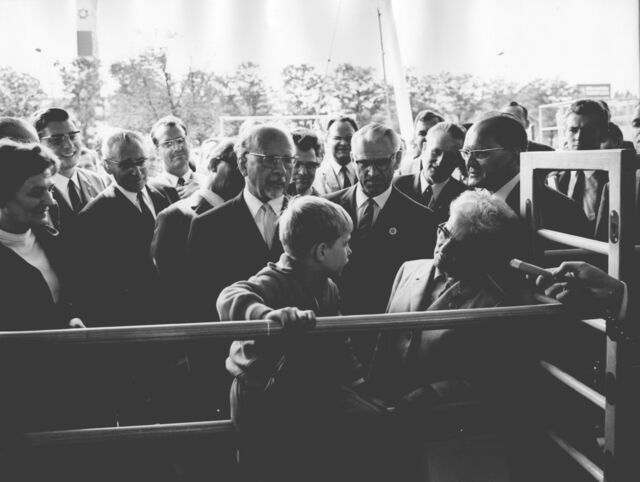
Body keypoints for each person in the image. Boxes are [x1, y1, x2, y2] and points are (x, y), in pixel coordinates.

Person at [219, 196, 400, 482]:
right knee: (271, 467)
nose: (350, 251)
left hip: (300, 390)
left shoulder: (328, 288)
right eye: (345, 243)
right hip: (261, 397)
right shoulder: (275, 281)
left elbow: (338, 343)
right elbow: (230, 296)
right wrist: (268, 316)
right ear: (321, 251)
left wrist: (360, 386)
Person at [325, 122, 438, 366]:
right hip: (332, 334)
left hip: (389, 340)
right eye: (364, 164)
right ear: (353, 160)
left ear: (397, 159)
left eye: (381, 163)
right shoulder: (326, 210)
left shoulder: (421, 220)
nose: (372, 173)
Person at [185, 124, 294, 321]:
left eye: (287, 160)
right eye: (269, 160)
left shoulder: (311, 220)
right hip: (234, 347)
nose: (280, 170)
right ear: (243, 164)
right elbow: (199, 308)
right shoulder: (208, 227)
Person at [74, 129, 171, 326]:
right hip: (132, 323)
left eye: (141, 161)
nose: (136, 171)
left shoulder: (166, 195)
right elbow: (98, 288)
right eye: (126, 164)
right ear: (107, 167)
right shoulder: (92, 217)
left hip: (173, 315)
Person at [151, 137, 244, 316]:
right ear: (213, 165)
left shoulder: (243, 215)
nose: (243, 172)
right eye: (236, 164)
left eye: (247, 165)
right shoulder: (174, 217)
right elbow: (167, 289)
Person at [463, 113, 590, 237]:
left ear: (515, 154)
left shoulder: (563, 211)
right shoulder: (468, 203)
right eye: (466, 153)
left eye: (480, 154)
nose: (470, 163)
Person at [0, 139, 81, 330]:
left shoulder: (53, 240)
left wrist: (71, 319)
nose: (51, 201)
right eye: (36, 193)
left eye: (50, 189)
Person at [31, 108, 108, 231]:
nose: (69, 145)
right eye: (56, 140)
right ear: (38, 144)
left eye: (72, 136)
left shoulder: (98, 181)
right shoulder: (33, 192)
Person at [547, 100, 609, 235]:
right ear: (565, 132)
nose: (579, 137)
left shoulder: (617, 179)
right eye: (573, 130)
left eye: (589, 130)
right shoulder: (553, 178)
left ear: (603, 134)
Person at [393, 121, 468, 222]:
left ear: (458, 160)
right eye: (436, 152)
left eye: (450, 156)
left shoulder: (465, 198)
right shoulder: (395, 186)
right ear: (424, 148)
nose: (440, 162)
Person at [149, 115, 204, 204]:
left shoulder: (207, 185)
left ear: (188, 142)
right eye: (168, 144)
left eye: (180, 141)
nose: (177, 148)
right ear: (157, 151)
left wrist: (203, 194)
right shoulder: (151, 191)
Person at [312, 115, 358, 195]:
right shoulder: (316, 176)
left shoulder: (366, 172)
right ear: (327, 140)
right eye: (337, 138)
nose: (343, 143)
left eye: (349, 138)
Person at [399, 109, 445, 175]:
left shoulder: (457, 170)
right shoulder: (405, 170)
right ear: (415, 138)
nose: (427, 138)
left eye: (433, 132)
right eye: (422, 133)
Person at [288, 127, 321, 196]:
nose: (303, 172)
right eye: (297, 164)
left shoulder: (322, 205)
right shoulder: (274, 200)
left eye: (309, 166)